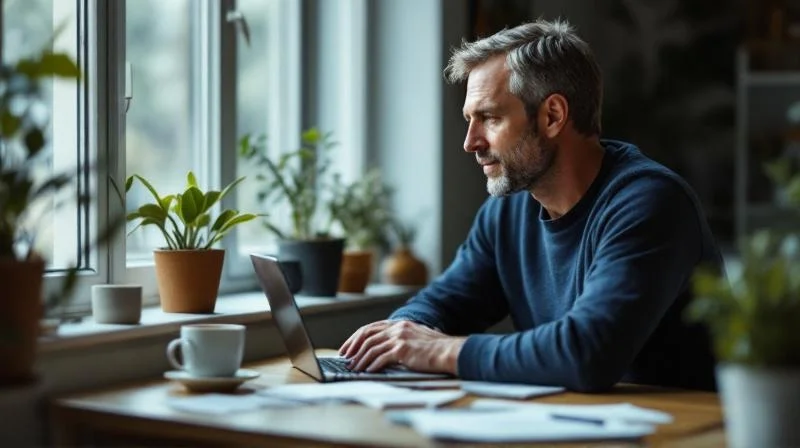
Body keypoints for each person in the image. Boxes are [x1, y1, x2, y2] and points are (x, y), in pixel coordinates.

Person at [339, 19, 723, 392]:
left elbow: (588, 352)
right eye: (469, 120)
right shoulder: (507, 211)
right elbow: (445, 302)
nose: (470, 142)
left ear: (553, 116)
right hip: (566, 425)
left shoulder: (649, 203)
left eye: (489, 117)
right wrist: (401, 333)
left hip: (673, 431)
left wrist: (439, 350)